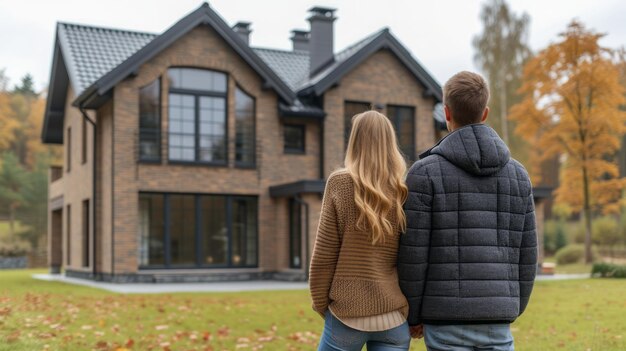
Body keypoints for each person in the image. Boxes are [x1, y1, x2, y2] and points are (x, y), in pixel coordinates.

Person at [398, 71, 538, 351]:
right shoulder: (519, 176)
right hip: (499, 318)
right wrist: (511, 306)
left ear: (446, 112)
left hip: (444, 318)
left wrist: (412, 315)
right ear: (485, 113)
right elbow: (528, 254)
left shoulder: (423, 174)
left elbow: (413, 254)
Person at [309, 110, 411, 351]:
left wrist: (321, 303)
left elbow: (324, 256)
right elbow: (410, 258)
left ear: (355, 140)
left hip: (346, 316)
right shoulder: (402, 190)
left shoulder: (340, 183)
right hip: (394, 318)